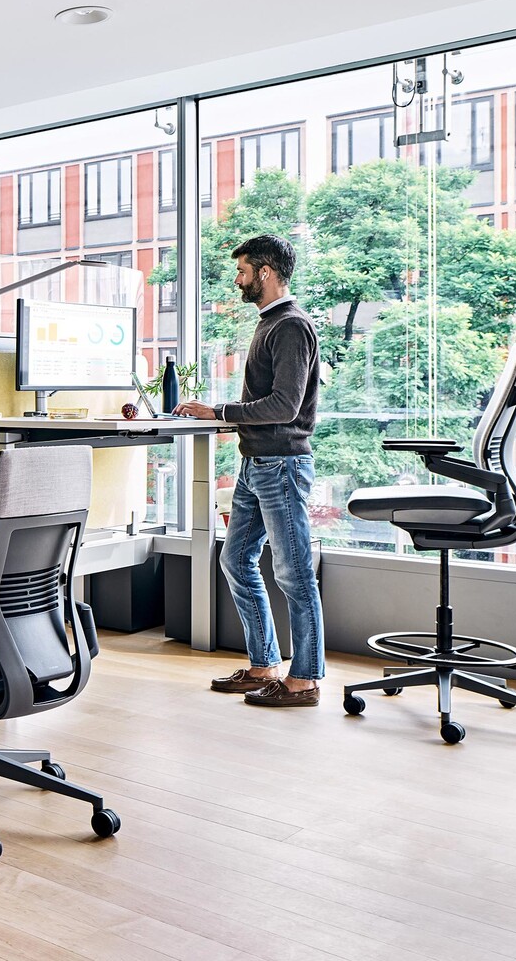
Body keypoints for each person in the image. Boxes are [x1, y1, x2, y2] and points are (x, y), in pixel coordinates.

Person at [175, 234, 325, 707]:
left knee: (294, 572)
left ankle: (305, 680)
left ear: (264, 271)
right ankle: (264, 665)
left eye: (242, 271)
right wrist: (220, 416)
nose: (237, 279)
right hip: (256, 463)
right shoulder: (270, 324)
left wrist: (220, 412)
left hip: (280, 464)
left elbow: (284, 405)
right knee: (235, 559)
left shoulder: (291, 326)